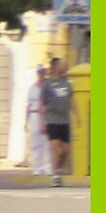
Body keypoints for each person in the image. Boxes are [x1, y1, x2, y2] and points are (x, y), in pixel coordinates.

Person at [41, 58, 78, 187]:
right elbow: (42, 103)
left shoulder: (67, 83)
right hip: (52, 119)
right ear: (55, 67)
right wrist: (43, 121)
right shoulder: (48, 84)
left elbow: (71, 100)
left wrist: (77, 116)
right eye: (61, 64)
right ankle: (55, 176)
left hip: (65, 120)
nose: (63, 66)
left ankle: (59, 169)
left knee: (67, 150)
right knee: (55, 148)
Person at [26, 64, 52, 177]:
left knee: (46, 142)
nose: (41, 75)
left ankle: (47, 167)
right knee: (36, 143)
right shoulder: (32, 88)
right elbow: (28, 105)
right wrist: (25, 122)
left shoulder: (47, 87)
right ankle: (37, 167)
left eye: (43, 72)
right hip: (34, 115)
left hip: (45, 114)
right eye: (39, 73)